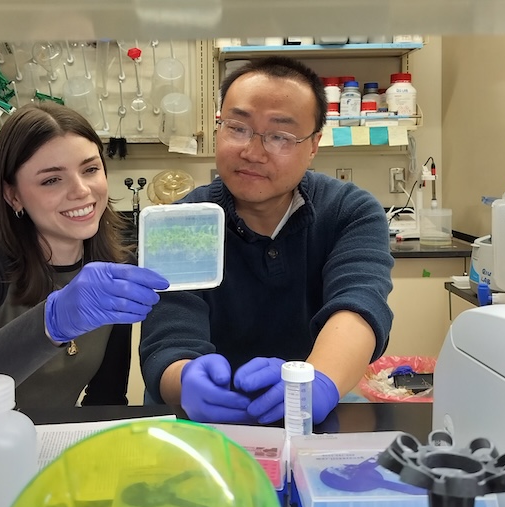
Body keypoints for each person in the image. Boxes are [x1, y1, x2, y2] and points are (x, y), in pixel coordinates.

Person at [140, 56, 394, 426]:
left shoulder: (348, 211)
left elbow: (357, 307)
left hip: (305, 418)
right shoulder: (182, 221)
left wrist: (316, 383)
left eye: (279, 136)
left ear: (313, 145)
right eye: (237, 127)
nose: (252, 152)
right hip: (197, 425)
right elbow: (169, 340)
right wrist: (186, 382)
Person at [0, 102, 168, 409]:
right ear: (13, 195)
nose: (81, 191)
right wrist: (51, 322)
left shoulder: (114, 267)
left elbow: (106, 397)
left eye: (90, 169)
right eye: (51, 180)